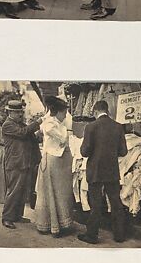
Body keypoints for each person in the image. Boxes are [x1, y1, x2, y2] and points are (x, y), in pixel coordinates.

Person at [77, 100, 128, 244]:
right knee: (115, 202)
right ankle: (119, 235)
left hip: (95, 170)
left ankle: (92, 235)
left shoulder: (90, 127)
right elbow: (123, 152)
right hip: (111, 170)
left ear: (95, 112)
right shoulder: (118, 127)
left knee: (96, 204)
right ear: (108, 110)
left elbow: (85, 151)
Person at [35, 96, 74, 237]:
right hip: (52, 161)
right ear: (57, 112)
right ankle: (52, 225)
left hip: (61, 162)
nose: (65, 115)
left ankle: (64, 223)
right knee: (51, 192)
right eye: (63, 112)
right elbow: (63, 138)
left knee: (62, 193)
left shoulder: (58, 123)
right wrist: (65, 131)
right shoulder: (50, 124)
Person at [1, 100, 43, 229]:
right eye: (17, 112)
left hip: (23, 162)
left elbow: (31, 138)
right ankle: (7, 217)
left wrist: (39, 134)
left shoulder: (19, 124)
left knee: (22, 191)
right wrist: (38, 123)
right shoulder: (7, 125)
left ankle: (17, 216)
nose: (20, 114)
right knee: (13, 191)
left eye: (21, 112)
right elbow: (23, 133)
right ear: (10, 112)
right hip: (15, 163)